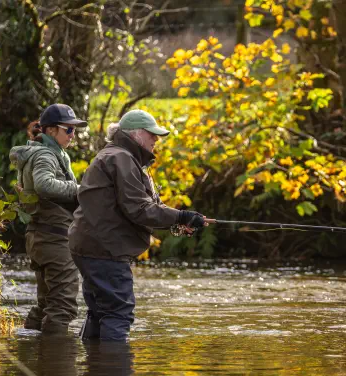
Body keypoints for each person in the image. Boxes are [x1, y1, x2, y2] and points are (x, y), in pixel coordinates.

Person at [69, 109, 207, 342]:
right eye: (152, 134)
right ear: (136, 134)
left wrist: (177, 224)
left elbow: (137, 210)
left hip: (92, 246)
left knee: (99, 312)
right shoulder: (120, 158)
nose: (156, 140)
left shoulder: (118, 156)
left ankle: (96, 371)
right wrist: (182, 216)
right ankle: (114, 374)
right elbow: (139, 209)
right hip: (106, 250)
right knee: (118, 313)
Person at [10, 104, 87, 334]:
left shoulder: (41, 152)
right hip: (54, 239)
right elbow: (44, 184)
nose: (73, 135)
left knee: (45, 305)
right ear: (51, 131)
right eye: (69, 130)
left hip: (40, 236)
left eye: (75, 130)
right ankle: (55, 367)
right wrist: (79, 189)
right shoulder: (46, 154)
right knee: (62, 306)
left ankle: (32, 356)